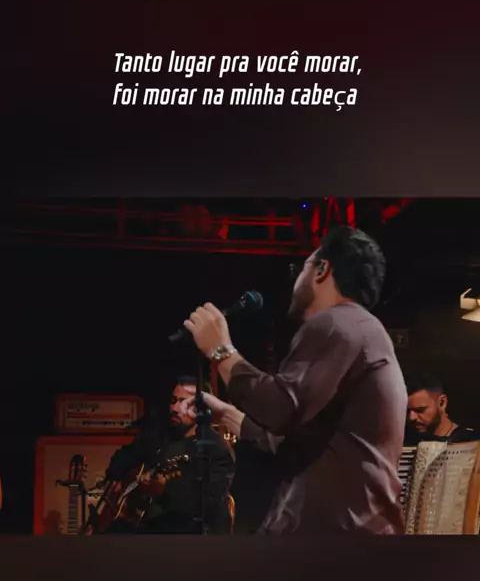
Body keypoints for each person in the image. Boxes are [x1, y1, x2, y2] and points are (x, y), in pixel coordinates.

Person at [183, 226, 408, 535]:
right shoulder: (361, 329)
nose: (296, 279)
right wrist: (226, 414)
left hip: (333, 539)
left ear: (322, 269)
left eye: (301, 268)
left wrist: (220, 351)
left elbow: (279, 409)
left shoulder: (336, 322)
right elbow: (288, 438)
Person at [104, 376, 235, 534]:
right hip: (151, 528)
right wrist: (126, 481)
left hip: (191, 536)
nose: (175, 408)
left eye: (184, 403)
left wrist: (164, 491)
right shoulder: (158, 437)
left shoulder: (216, 450)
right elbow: (121, 459)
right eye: (173, 401)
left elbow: (208, 503)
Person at [405, 372, 479, 444]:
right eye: (407, 411)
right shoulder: (405, 441)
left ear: (442, 403)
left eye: (420, 410)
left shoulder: (472, 442)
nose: (411, 417)